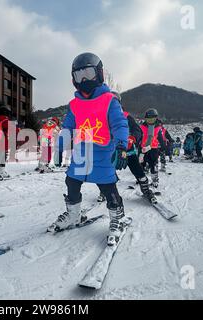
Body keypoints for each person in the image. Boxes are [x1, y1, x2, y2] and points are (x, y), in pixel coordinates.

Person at [48, 52, 129, 246]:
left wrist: (121, 146)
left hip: (103, 153)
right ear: (73, 80)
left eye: (88, 73)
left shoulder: (109, 100)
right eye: (79, 75)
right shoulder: (75, 105)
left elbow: (119, 125)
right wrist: (59, 147)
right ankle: (74, 215)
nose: (84, 79)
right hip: (82, 153)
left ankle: (117, 218)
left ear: (99, 74)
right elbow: (67, 127)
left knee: (108, 187)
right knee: (72, 182)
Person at [139, 108, 164, 188]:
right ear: (145, 118)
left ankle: (154, 180)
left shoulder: (158, 128)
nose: (150, 120)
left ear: (156, 118)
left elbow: (160, 138)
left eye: (153, 119)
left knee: (153, 164)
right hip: (143, 148)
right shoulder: (142, 127)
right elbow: (139, 136)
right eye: (148, 119)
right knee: (141, 164)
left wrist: (163, 148)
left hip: (153, 148)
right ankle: (141, 178)